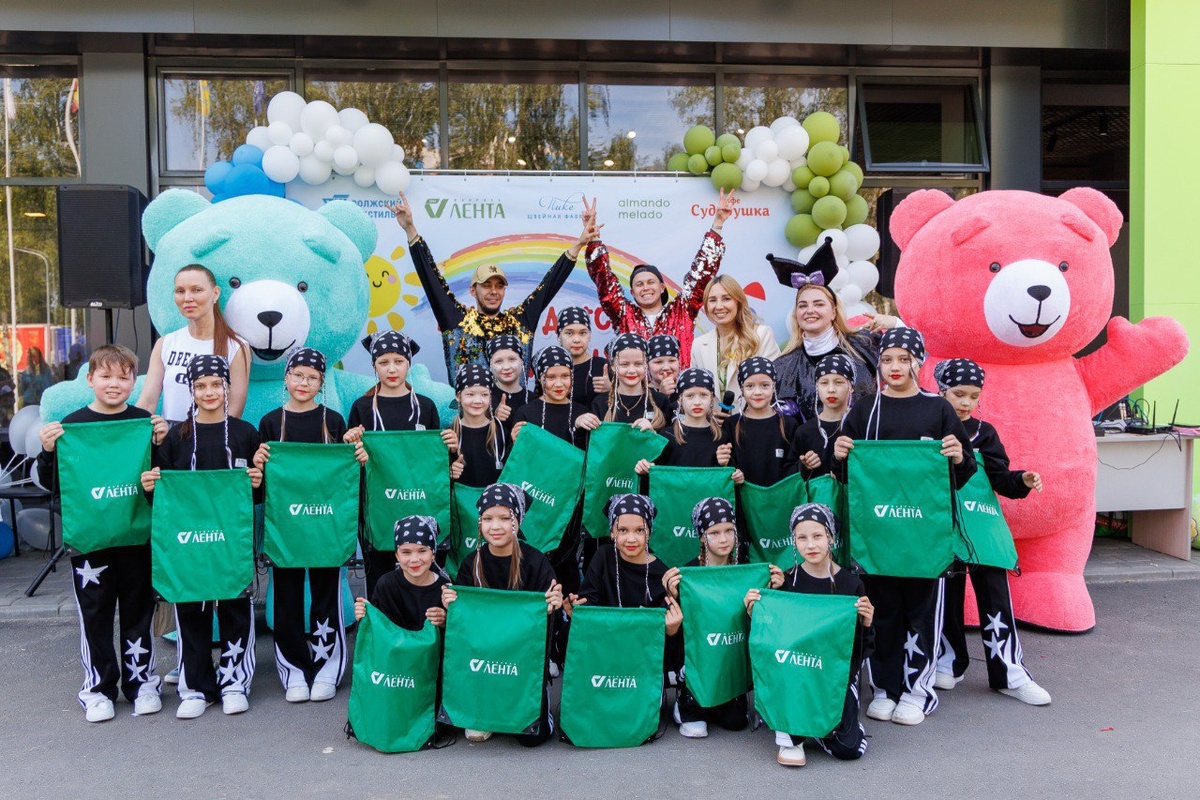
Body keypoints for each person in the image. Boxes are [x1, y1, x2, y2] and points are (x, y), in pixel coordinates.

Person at [832, 327, 974, 727]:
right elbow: (845, 475)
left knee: (921, 615)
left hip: (925, 538)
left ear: (918, 362)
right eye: (887, 359)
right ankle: (884, 688)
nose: (895, 366)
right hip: (878, 536)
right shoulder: (865, 409)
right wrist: (837, 452)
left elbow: (964, 473)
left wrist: (958, 456)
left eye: (904, 358)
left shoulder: (938, 408)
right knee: (882, 613)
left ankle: (917, 691)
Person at [37, 344, 169, 723]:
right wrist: (47, 451)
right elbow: (52, 483)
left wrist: (162, 445)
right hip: (90, 543)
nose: (114, 384)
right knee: (95, 616)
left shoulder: (145, 424)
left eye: (123, 377)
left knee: (138, 613)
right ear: (90, 379)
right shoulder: (72, 425)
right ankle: (97, 688)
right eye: (106, 376)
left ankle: (142, 683)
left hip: (137, 537)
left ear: (133, 382)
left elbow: (163, 484)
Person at [139, 355, 263, 720]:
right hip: (188, 541)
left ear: (227, 387)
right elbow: (163, 497)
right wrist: (150, 486)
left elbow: (258, 496)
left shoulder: (245, 433)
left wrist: (258, 482)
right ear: (191, 390)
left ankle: (235, 682)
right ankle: (195, 687)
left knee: (235, 607)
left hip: (232, 540)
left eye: (216, 384)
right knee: (191, 609)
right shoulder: (176, 436)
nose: (209, 392)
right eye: (201, 386)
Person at [931, 358, 1051, 706]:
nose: (966, 402)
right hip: (942, 528)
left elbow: (1001, 479)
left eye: (974, 395)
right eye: (958, 393)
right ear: (942, 390)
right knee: (945, 600)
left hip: (983, 527)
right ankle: (949, 661)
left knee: (996, 598)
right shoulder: (928, 428)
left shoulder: (985, 433)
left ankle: (1009, 673)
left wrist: (1022, 479)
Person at [254, 347, 368, 705]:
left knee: (325, 596)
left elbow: (345, 475)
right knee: (286, 598)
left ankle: (326, 669)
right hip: (286, 526)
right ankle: (293, 671)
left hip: (326, 525)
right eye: (297, 375)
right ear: (286, 377)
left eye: (312, 377)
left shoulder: (333, 421)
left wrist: (356, 454)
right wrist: (259, 464)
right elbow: (263, 482)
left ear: (321, 383)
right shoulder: (270, 422)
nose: (304, 382)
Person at [389, 193, 596, 383]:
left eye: (499, 286)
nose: (494, 291)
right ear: (473, 290)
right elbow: (431, 279)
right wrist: (410, 230)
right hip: (467, 410)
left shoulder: (520, 322)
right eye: (486, 285)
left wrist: (578, 244)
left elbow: (549, 284)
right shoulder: (456, 321)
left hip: (515, 410)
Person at [745, 503, 874, 767]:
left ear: (831, 537)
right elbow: (772, 642)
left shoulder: (851, 584)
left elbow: (861, 650)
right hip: (794, 673)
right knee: (790, 676)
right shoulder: (786, 582)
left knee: (848, 749)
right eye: (802, 538)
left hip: (833, 674)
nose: (810, 544)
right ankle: (791, 732)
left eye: (817, 536)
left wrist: (866, 623)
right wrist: (754, 614)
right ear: (793, 541)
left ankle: (819, 729)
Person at [443, 483, 563, 746]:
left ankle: (535, 700)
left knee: (532, 738)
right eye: (487, 518)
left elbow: (548, 611)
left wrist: (553, 604)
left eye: (505, 518)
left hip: (522, 658)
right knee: (475, 730)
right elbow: (461, 622)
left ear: (517, 521)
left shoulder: (535, 561)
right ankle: (483, 708)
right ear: (479, 523)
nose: (495, 526)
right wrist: (450, 604)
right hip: (482, 656)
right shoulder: (471, 562)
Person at [343, 331, 450, 600]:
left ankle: (425, 623)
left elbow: (433, 460)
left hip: (418, 502)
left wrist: (452, 452)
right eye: (384, 362)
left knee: (421, 574)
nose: (391, 369)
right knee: (380, 578)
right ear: (374, 365)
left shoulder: (425, 407)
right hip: (377, 509)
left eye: (399, 361)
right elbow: (351, 464)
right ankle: (381, 625)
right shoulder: (362, 407)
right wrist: (351, 444)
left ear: (409, 364)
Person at [662, 497, 775, 739]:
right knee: (696, 728)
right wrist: (673, 595)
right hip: (698, 662)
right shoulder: (687, 576)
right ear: (702, 536)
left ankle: (728, 696)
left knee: (736, 722)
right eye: (714, 532)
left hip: (730, 661)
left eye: (729, 531)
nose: (724, 539)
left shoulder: (746, 571)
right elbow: (675, 631)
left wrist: (773, 588)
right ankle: (687, 700)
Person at [584, 193, 734, 366]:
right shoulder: (624, 314)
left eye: (651, 282)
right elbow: (604, 280)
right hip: (636, 384)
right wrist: (593, 239)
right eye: (639, 284)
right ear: (633, 292)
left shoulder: (682, 310)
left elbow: (701, 275)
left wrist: (718, 224)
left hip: (679, 383)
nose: (645, 288)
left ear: (662, 287)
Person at [769, 240, 898, 423]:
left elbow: (914, 358)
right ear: (796, 314)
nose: (810, 311)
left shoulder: (866, 344)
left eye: (819, 304)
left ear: (834, 312)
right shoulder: (783, 366)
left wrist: (895, 323)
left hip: (865, 439)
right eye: (803, 305)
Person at [565, 493, 683, 682]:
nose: (631, 539)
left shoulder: (662, 573)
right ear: (612, 532)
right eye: (623, 530)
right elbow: (589, 603)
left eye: (639, 530)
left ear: (649, 532)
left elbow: (667, 638)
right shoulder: (603, 557)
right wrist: (576, 610)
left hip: (644, 663)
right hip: (604, 654)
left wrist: (672, 629)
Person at [512, 346, 596, 598]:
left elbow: (592, 461)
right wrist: (517, 440)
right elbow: (519, 463)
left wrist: (581, 429)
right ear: (540, 378)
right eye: (551, 377)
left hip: (569, 506)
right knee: (531, 560)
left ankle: (568, 611)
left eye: (565, 376)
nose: (559, 384)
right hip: (535, 502)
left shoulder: (583, 412)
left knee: (566, 562)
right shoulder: (527, 413)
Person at [138, 264, 251, 422]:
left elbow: (234, 411)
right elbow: (147, 403)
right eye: (180, 291)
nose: (187, 298)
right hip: (170, 435)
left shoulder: (236, 347)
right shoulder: (165, 343)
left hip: (213, 435)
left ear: (215, 293)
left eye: (197, 290)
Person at [690, 275, 781, 411]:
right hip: (714, 422)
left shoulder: (761, 335)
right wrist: (711, 415)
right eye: (712, 300)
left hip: (752, 419)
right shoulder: (698, 345)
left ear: (738, 301)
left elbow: (776, 383)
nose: (719, 306)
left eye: (726, 299)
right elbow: (695, 391)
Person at [354, 516, 449, 631]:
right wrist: (365, 615)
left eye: (422, 551)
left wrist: (446, 621)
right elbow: (378, 629)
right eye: (406, 552)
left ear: (433, 553)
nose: (414, 559)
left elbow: (457, 633)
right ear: (397, 556)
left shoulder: (445, 590)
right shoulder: (386, 585)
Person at [635, 368, 728, 476]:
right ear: (680, 399)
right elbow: (655, 471)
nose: (697, 402)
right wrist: (645, 467)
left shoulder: (721, 436)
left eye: (703, 395)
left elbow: (725, 476)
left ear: (712, 399)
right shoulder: (667, 435)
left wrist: (723, 464)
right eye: (690, 396)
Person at [721, 357, 798, 487]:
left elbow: (793, 468)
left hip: (780, 496)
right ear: (741, 389)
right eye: (750, 386)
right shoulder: (731, 425)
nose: (757, 392)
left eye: (765, 385)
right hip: (743, 496)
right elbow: (727, 466)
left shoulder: (789, 425)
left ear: (774, 387)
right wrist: (733, 473)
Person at [791, 353, 854, 480]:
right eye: (824, 383)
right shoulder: (804, 432)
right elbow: (789, 475)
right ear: (817, 387)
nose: (831, 389)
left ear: (851, 387)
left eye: (838, 382)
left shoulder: (859, 426)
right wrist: (804, 467)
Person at [590, 333, 669, 431]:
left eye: (638, 364)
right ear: (613, 366)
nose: (631, 370)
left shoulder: (660, 401)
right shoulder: (601, 403)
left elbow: (670, 438)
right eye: (624, 364)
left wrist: (652, 434)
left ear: (646, 365)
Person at [448, 363, 508, 488]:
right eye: (470, 394)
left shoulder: (501, 433)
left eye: (484, 395)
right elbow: (437, 480)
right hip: (461, 499)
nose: (477, 401)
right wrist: (449, 473)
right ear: (458, 396)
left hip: (495, 499)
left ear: (490, 397)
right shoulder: (450, 435)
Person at [555, 306, 609, 407]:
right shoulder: (552, 369)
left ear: (590, 335)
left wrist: (612, 389)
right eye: (569, 333)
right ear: (559, 336)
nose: (577, 340)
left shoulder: (603, 367)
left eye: (583, 333)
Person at [486, 334, 532, 429]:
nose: (506, 367)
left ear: (521, 362)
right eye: (499, 361)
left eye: (512, 359)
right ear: (490, 366)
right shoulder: (483, 398)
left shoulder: (532, 399)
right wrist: (493, 417)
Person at [646, 334, 682, 399]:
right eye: (658, 362)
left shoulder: (685, 390)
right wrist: (661, 396)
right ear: (647, 365)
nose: (666, 367)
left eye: (672, 361)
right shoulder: (642, 394)